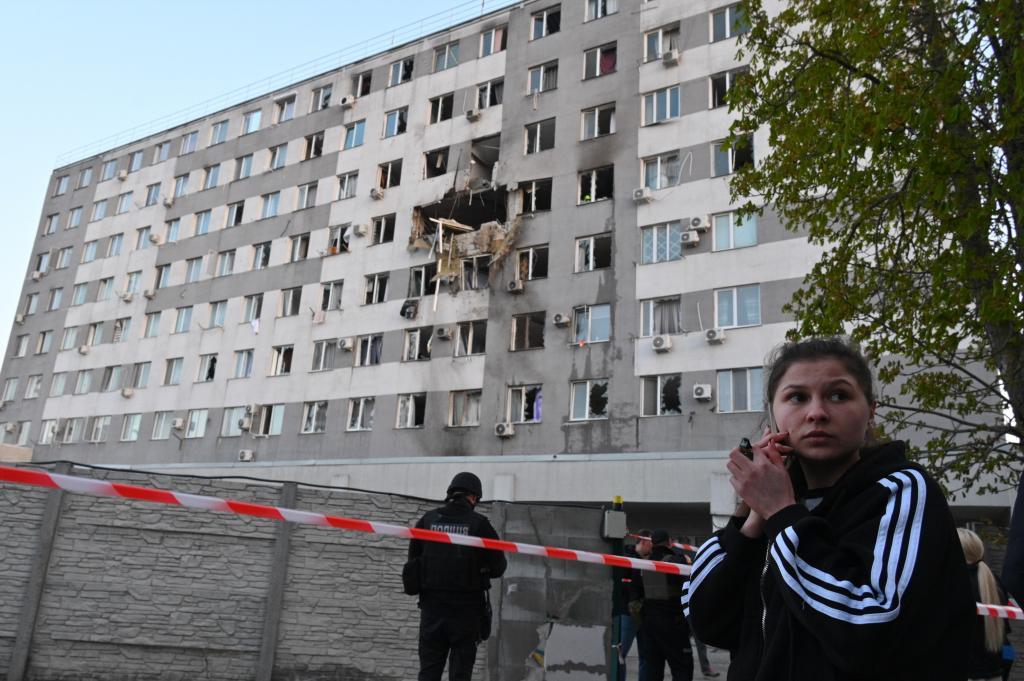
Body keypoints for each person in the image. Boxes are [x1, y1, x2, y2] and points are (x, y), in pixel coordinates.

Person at [686, 337, 975, 680]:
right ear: (773, 415)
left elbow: (870, 627)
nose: (817, 412)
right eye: (797, 397)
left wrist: (782, 514)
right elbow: (707, 623)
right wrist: (752, 518)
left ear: (871, 411)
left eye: (839, 395)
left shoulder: (901, 489)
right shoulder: (769, 506)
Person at [407, 472, 507, 681]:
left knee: (429, 672)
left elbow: (413, 562)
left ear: (451, 493)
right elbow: (498, 567)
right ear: (473, 497)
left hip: (432, 611)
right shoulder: (480, 525)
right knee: (460, 674)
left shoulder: (427, 520)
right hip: (466, 613)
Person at [958, 528, 1014, 681]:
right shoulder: (993, 581)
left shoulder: (954, 583)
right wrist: (1006, 665)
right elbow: (1006, 640)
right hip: (995, 671)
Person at [639, 529, 694, 681]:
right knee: (682, 668)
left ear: (652, 543)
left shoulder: (644, 562)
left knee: (653, 670)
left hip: (650, 624)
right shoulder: (677, 561)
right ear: (670, 542)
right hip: (673, 624)